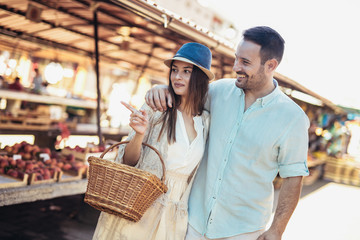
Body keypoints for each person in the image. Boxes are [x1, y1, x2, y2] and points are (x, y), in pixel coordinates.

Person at [145, 26, 310, 240]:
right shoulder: (217, 91)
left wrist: (277, 229)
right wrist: (162, 89)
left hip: (243, 231)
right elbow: (184, 97)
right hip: (192, 222)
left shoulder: (293, 118)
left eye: (245, 62)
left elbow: (293, 177)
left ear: (271, 65)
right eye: (236, 59)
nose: (236, 67)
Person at [92, 42, 214, 240]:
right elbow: (128, 162)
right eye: (174, 70)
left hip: (174, 217)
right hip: (140, 206)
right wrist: (139, 134)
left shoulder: (206, 122)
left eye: (186, 71)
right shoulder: (157, 108)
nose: (177, 77)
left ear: (200, 78)